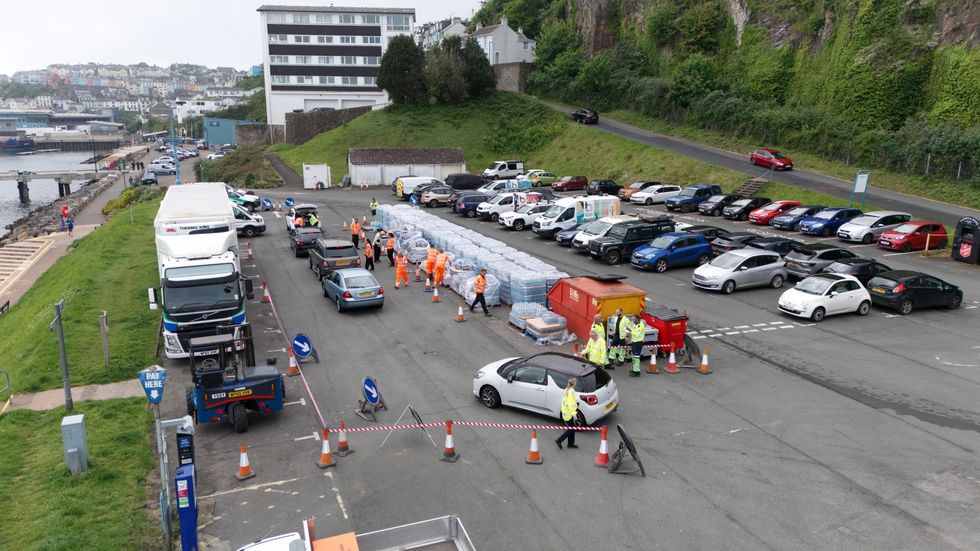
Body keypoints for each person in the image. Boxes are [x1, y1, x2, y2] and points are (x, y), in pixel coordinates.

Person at [555, 377, 579, 449]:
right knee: (571, 429)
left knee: (572, 429)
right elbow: (570, 404)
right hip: (569, 413)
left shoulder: (567, 390)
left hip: (566, 412)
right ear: (574, 383)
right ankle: (559, 440)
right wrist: (574, 414)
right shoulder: (571, 392)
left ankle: (570, 444)